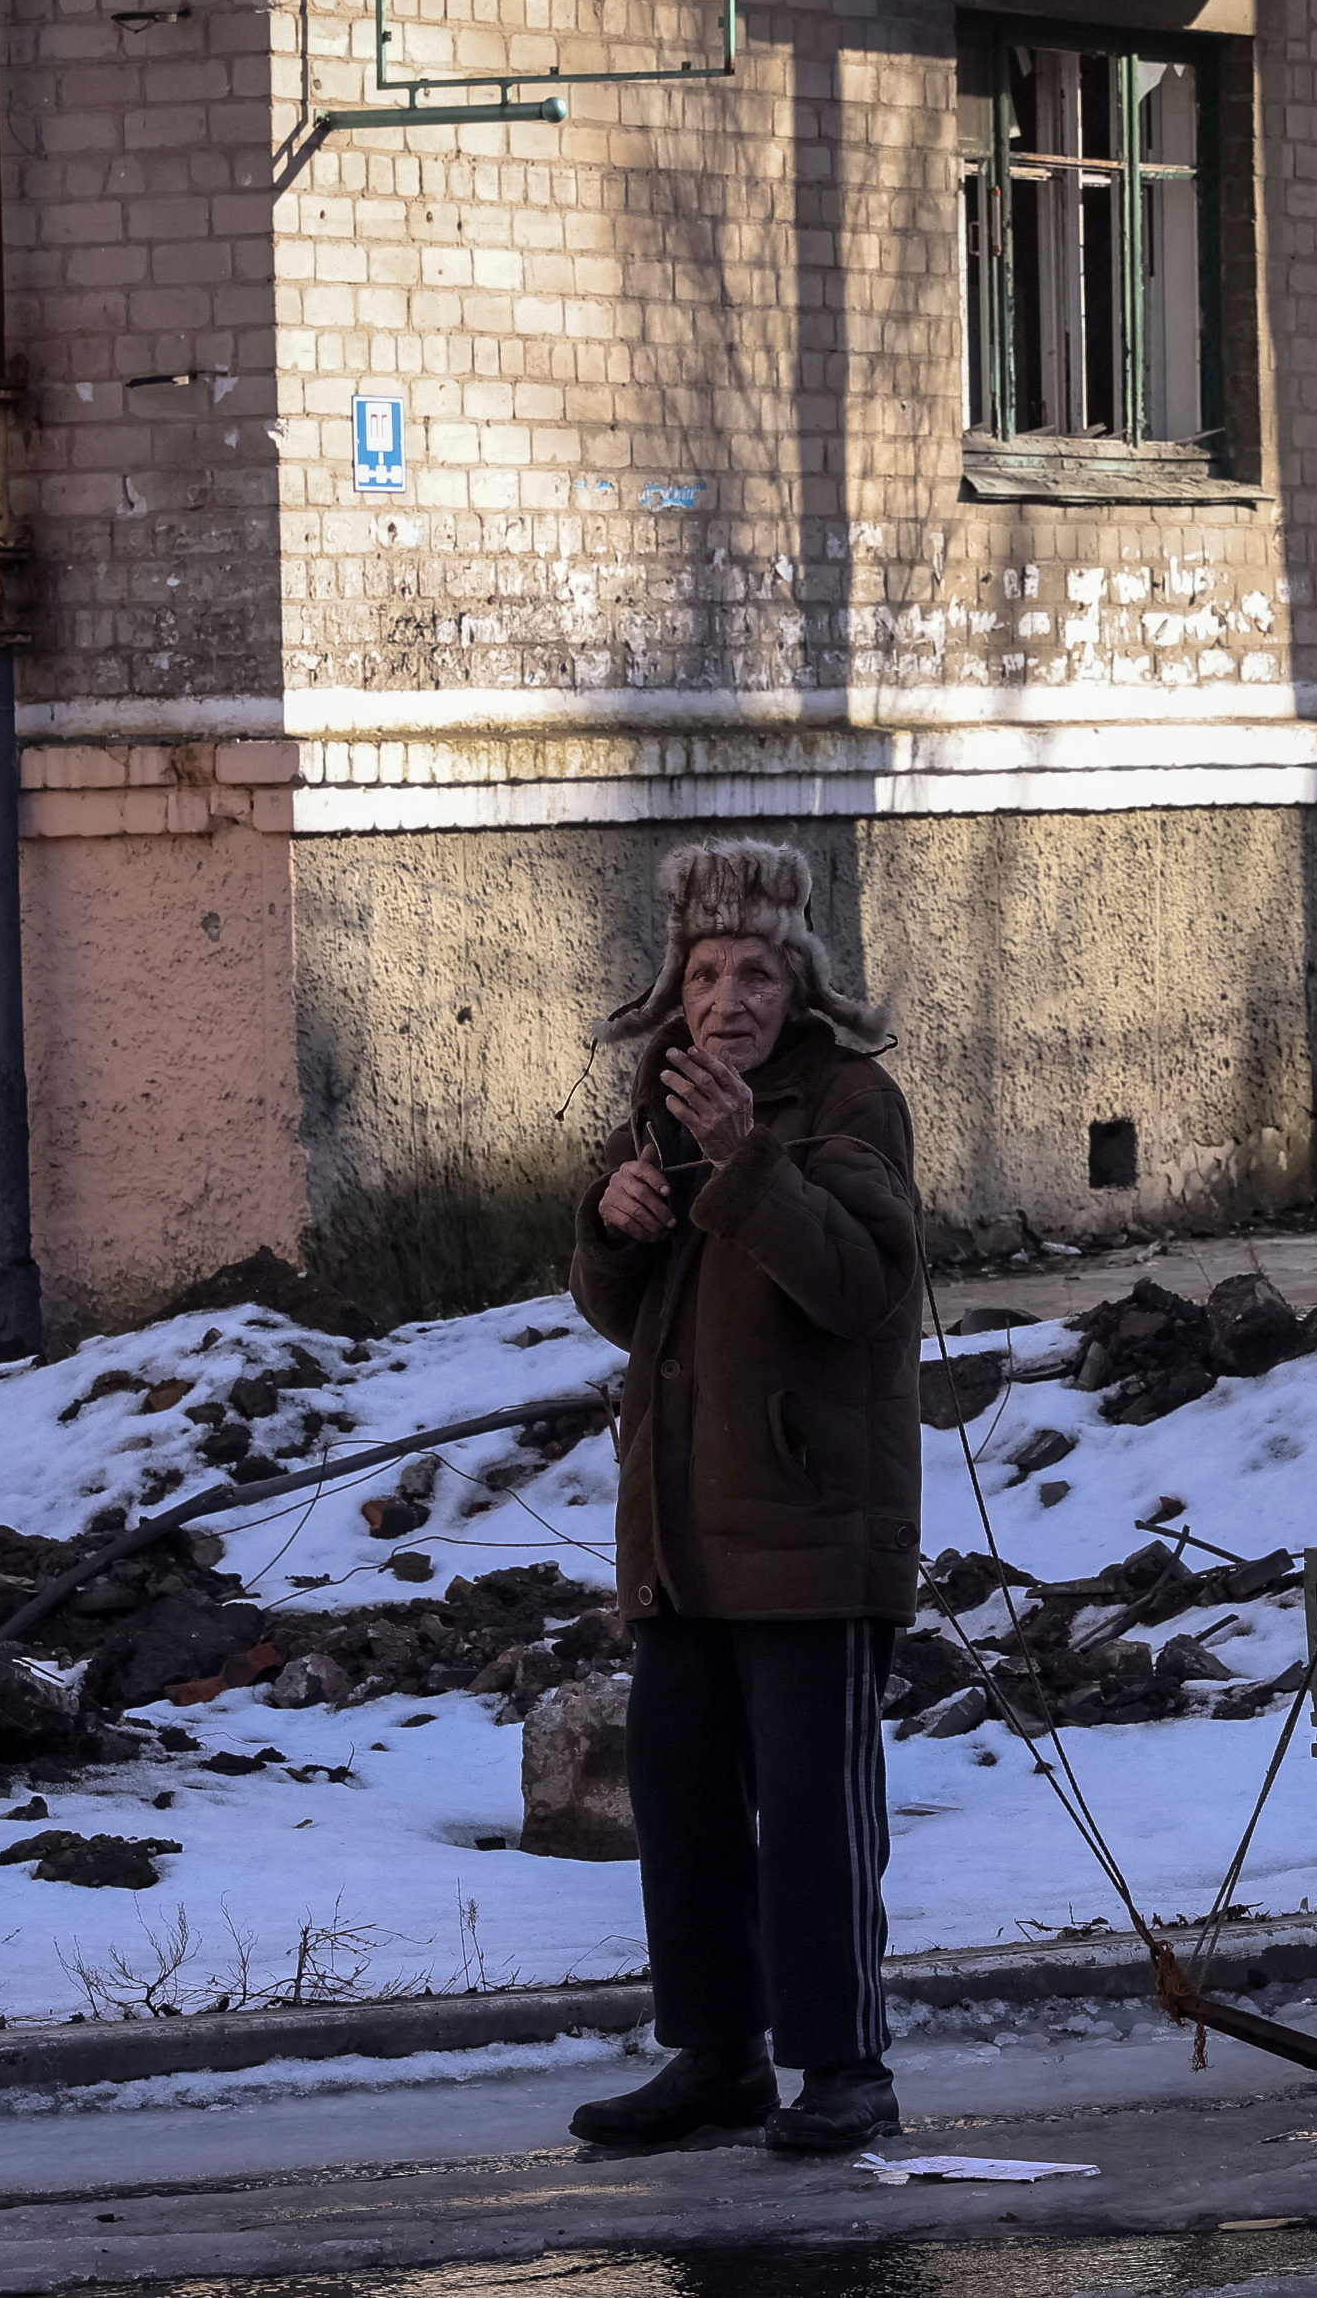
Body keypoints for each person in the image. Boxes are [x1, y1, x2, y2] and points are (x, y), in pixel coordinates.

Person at [564, 839, 923, 2154]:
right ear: (678, 981)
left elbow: (859, 1286)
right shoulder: (668, 1097)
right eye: (707, 969)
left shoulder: (844, 1104)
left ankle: (845, 2068)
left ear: (798, 981)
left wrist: (744, 1167)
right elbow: (620, 1308)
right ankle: (717, 2059)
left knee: (815, 1816)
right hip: (684, 1530)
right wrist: (612, 1219)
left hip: (810, 1524)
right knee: (684, 1800)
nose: (730, 997)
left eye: (756, 970)